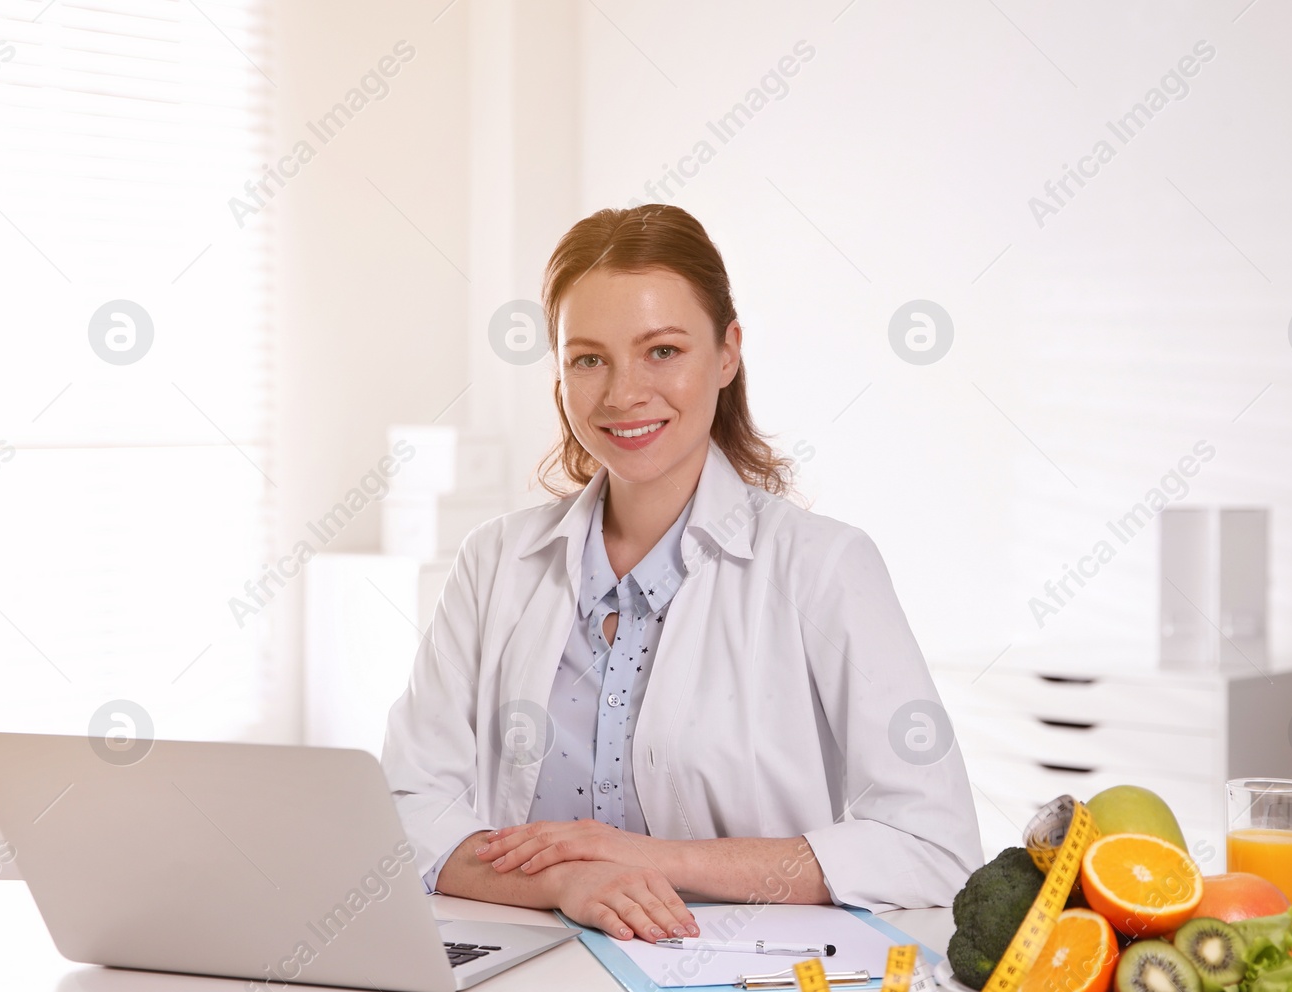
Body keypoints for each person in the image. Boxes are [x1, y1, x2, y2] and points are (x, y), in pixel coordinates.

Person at [381, 205, 981, 945]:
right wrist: (567, 879)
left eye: (662, 350)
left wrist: (653, 862)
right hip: (525, 986)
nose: (624, 393)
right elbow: (407, 806)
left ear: (727, 351)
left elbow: (932, 845)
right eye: (588, 358)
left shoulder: (824, 568)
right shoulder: (494, 562)